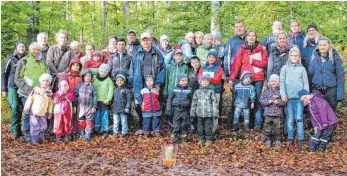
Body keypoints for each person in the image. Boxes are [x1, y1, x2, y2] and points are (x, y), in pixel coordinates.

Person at [229, 29, 268, 131]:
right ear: (246, 37)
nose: (251, 37)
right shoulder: (242, 49)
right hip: (246, 79)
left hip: (258, 78)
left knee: (257, 100)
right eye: (249, 35)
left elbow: (265, 63)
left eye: (253, 35)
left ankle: (258, 122)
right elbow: (236, 64)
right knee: (247, 100)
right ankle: (248, 122)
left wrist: (253, 61)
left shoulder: (262, 49)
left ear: (256, 37)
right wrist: (232, 78)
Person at [128, 32, 165, 133]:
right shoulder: (137, 54)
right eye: (144, 40)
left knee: (154, 106)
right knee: (141, 105)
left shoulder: (158, 54)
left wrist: (158, 83)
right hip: (140, 84)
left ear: (151, 40)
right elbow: (132, 70)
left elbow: (162, 70)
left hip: (153, 85)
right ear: (141, 41)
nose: (146, 42)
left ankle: (155, 128)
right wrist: (132, 85)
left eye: (147, 40)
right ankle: (144, 128)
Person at [14, 42, 49, 143]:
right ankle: (27, 133)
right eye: (35, 49)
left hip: (40, 93)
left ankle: (37, 134)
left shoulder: (43, 62)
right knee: (28, 112)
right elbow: (17, 79)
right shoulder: (23, 61)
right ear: (29, 49)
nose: (37, 51)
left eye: (39, 50)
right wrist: (30, 91)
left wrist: (45, 89)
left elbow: (47, 77)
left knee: (39, 113)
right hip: (26, 93)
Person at [280, 47, 309, 150]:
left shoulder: (302, 68)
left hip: (299, 99)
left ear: (299, 57)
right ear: (290, 56)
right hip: (289, 98)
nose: (294, 57)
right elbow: (282, 82)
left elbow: (306, 84)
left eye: (297, 55)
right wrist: (283, 94)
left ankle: (300, 139)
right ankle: (290, 138)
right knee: (290, 119)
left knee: (299, 118)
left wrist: (305, 96)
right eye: (293, 55)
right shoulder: (285, 68)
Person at [308, 37, 345, 112]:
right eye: (320, 45)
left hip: (331, 90)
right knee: (318, 113)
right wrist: (309, 91)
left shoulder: (335, 58)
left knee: (330, 114)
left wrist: (340, 94)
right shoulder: (314, 58)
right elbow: (310, 75)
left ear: (329, 45)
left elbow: (340, 76)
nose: (322, 47)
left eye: (324, 45)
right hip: (317, 89)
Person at [2, 40, 27, 139]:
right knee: (15, 107)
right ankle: (15, 130)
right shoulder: (10, 59)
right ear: (16, 47)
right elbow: (4, 74)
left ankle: (23, 130)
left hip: (23, 86)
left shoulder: (27, 58)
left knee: (24, 108)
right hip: (12, 86)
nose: (21, 48)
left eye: (23, 47)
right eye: (20, 47)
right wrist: (4, 89)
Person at [198, 49, 223, 134]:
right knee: (205, 109)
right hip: (204, 92)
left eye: (213, 57)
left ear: (216, 59)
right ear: (207, 58)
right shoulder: (203, 67)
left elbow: (217, 79)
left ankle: (214, 128)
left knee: (214, 109)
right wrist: (206, 80)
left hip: (215, 91)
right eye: (209, 57)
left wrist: (206, 79)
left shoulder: (219, 68)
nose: (211, 59)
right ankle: (206, 128)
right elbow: (199, 79)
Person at [23, 73, 53, 144]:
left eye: (47, 81)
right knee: (34, 125)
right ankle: (35, 139)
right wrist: (27, 107)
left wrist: (50, 112)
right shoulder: (35, 90)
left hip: (43, 113)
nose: (45, 83)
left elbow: (50, 104)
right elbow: (30, 99)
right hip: (34, 112)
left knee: (43, 126)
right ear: (40, 81)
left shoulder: (49, 93)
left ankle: (40, 137)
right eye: (44, 81)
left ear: (50, 82)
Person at [190, 74, 218, 147]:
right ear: (200, 81)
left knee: (208, 128)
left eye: (207, 81)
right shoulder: (197, 92)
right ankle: (201, 139)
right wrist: (192, 113)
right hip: (199, 113)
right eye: (203, 81)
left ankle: (208, 139)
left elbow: (215, 103)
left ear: (209, 82)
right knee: (200, 127)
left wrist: (215, 113)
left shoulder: (211, 92)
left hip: (208, 114)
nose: (205, 82)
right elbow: (194, 103)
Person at [166, 73, 192, 143]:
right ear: (178, 81)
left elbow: (192, 100)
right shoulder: (174, 89)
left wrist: (191, 110)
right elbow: (169, 99)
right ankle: (176, 136)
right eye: (182, 80)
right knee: (176, 124)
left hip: (185, 110)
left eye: (186, 80)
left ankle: (184, 137)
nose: (184, 82)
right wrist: (168, 109)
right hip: (176, 110)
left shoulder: (189, 90)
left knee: (184, 124)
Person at [259, 74, 284, 147]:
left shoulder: (280, 91)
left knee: (278, 128)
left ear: (278, 83)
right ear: (269, 82)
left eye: (275, 81)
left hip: (277, 114)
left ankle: (278, 140)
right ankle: (267, 140)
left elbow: (284, 101)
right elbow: (261, 100)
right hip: (268, 113)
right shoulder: (266, 91)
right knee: (267, 128)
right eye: (272, 81)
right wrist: (267, 101)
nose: (273, 83)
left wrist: (279, 102)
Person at [74, 69, 97, 141]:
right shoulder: (79, 85)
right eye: (86, 75)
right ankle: (82, 132)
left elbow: (95, 96)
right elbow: (76, 95)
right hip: (80, 107)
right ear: (83, 76)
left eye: (90, 76)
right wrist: (74, 106)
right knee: (81, 120)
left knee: (89, 120)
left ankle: (88, 133)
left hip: (89, 107)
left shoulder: (92, 86)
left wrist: (94, 106)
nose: (88, 77)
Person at [93, 64, 114, 139]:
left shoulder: (109, 81)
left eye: (104, 72)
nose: (102, 73)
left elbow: (111, 91)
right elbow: (93, 90)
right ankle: (96, 130)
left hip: (105, 102)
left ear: (107, 73)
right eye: (101, 71)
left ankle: (105, 130)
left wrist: (108, 99)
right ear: (99, 71)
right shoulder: (96, 80)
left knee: (104, 116)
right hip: (97, 101)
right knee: (97, 116)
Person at [52, 76, 74, 142]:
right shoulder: (57, 93)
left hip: (67, 111)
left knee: (67, 123)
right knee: (58, 124)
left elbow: (71, 98)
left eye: (65, 85)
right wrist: (60, 94)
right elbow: (55, 100)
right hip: (58, 112)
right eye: (62, 85)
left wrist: (66, 94)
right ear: (59, 86)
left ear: (68, 86)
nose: (64, 87)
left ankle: (67, 135)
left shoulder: (70, 92)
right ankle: (58, 136)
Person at [65, 58, 83, 139]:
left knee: (77, 115)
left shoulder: (81, 77)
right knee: (69, 115)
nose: (75, 67)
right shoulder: (67, 76)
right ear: (70, 66)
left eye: (77, 65)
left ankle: (76, 131)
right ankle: (68, 131)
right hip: (68, 99)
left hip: (79, 99)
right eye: (74, 65)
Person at [112, 73, 132, 139]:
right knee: (116, 122)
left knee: (124, 122)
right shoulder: (115, 90)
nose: (119, 81)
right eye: (118, 80)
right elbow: (113, 99)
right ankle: (115, 132)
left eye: (121, 80)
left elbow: (129, 100)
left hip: (123, 109)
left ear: (124, 81)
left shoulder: (126, 90)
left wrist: (127, 108)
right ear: (116, 81)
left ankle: (124, 133)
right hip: (115, 109)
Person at [187, 56, 201, 132]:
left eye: (196, 62)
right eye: (193, 63)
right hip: (191, 93)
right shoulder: (189, 72)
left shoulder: (202, 70)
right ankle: (192, 125)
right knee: (192, 109)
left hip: (200, 93)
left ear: (199, 62)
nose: (195, 64)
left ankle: (199, 125)